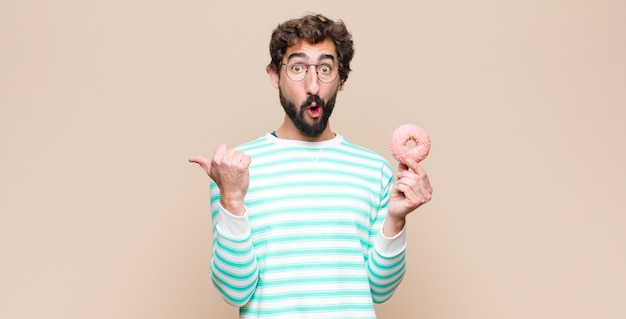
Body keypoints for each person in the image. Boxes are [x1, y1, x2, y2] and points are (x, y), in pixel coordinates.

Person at [189, 13, 433, 319]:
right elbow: (234, 289)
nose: (312, 84)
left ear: (341, 79)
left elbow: (379, 290)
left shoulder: (374, 171)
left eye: (326, 69)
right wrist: (232, 201)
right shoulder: (234, 170)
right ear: (274, 75)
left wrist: (395, 221)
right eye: (297, 68)